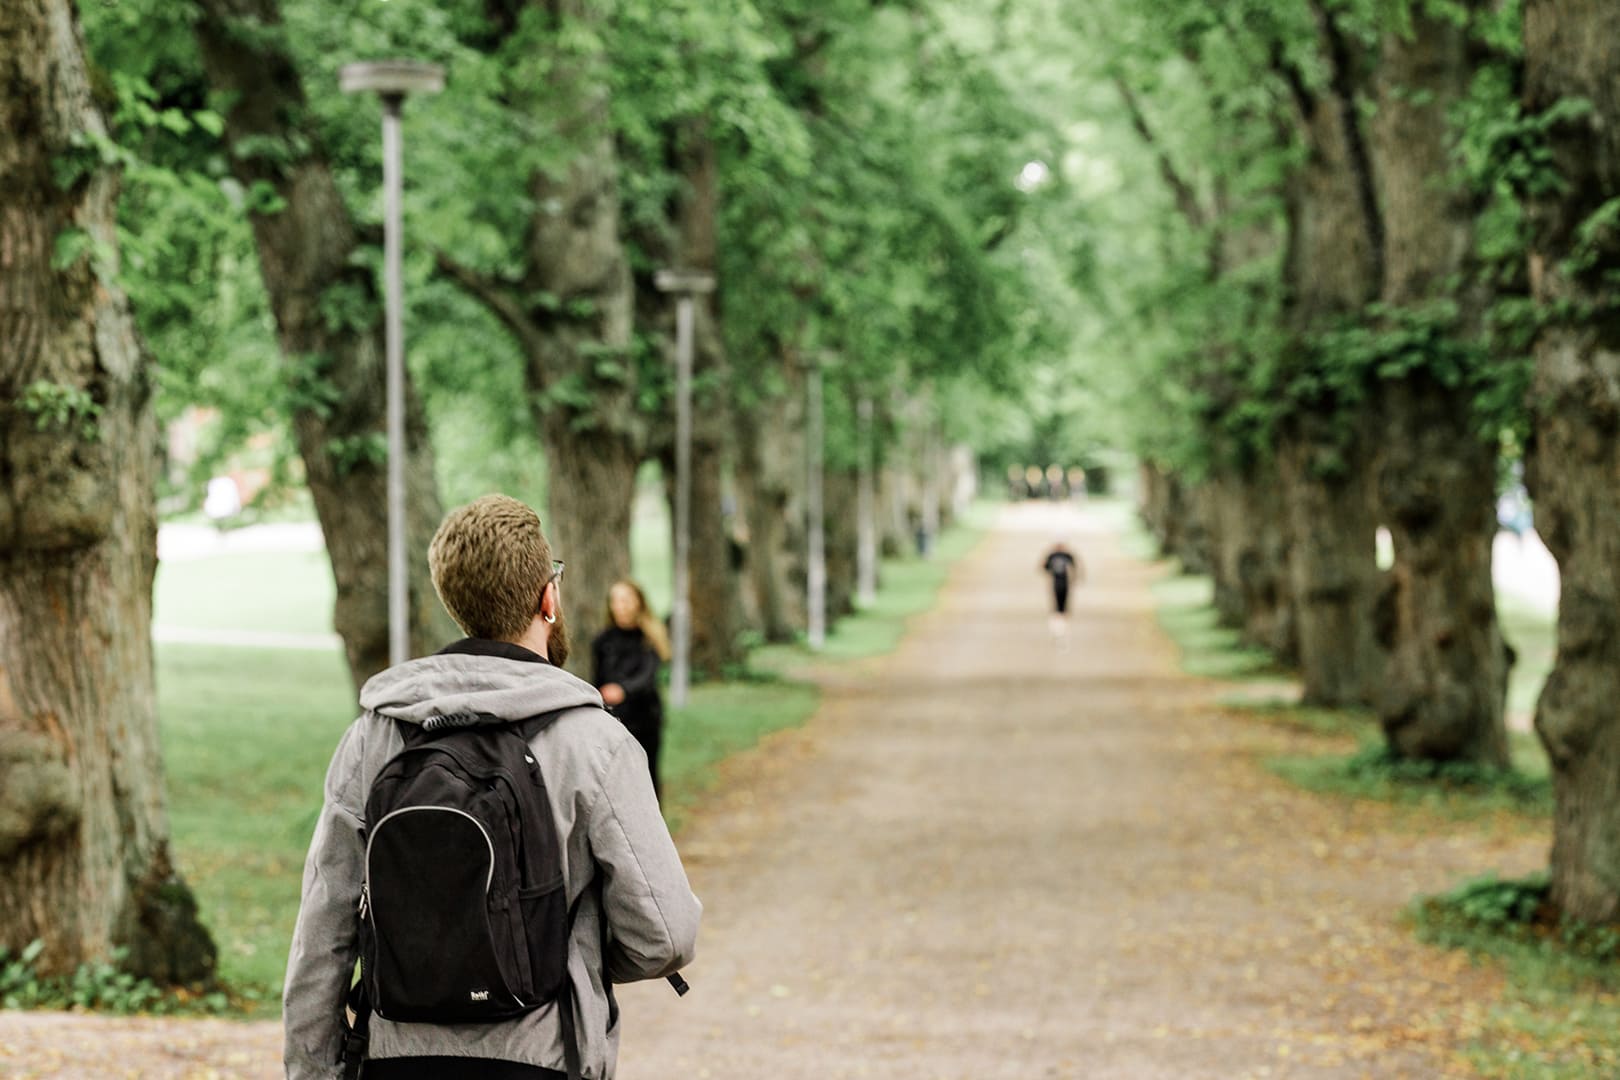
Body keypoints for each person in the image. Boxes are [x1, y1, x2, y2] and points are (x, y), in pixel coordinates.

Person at [282, 494, 701, 1080]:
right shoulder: (592, 742)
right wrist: (556, 949)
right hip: (545, 1056)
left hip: (395, 1056)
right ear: (547, 598)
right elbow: (666, 933)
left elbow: (324, 929)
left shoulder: (374, 738)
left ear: (454, 603)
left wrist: (312, 1069)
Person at [592, 581, 670, 802]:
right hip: (615, 720)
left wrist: (623, 690)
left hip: (645, 719)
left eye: (625, 600)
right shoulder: (602, 641)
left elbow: (647, 676)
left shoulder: (649, 638)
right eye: (615, 601)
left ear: (638, 603)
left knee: (648, 775)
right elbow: (598, 679)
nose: (620, 606)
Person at [1041, 539, 1084, 641]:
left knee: (1059, 608)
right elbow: (1075, 568)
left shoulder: (1052, 555)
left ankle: (1059, 630)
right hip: (1062, 584)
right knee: (1061, 608)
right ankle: (1059, 630)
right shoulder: (1066, 555)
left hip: (1059, 584)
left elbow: (1044, 567)